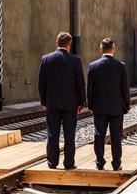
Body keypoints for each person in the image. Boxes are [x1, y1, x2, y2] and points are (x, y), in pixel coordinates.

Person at [38, 32, 86, 170]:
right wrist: (81, 102)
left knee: (52, 133)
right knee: (69, 134)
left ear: (56, 42)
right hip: (71, 104)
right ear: (69, 44)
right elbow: (80, 84)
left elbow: (41, 83)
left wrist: (43, 101)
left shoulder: (46, 59)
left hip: (52, 103)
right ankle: (69, 163)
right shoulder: (75, 60)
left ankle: (52, 162)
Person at [87, 37, 130, 171]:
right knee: (116, 136)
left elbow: (90, 89)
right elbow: (125, 88)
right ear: (114, 49)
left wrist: (91, 106)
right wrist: (126, 105)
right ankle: (116, 164)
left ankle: (100, 162)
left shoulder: (93, 66)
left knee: (99, 135)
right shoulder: (121, 66)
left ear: (101, 49)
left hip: (99, 108)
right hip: (117, 108)